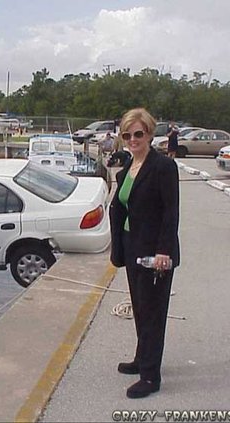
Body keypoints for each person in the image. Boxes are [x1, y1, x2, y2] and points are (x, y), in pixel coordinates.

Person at [109, 108, 180, 399]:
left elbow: (170, 212)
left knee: (152, 313)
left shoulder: (163, 167)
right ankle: (142, 359)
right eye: (127, 135)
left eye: (138, 133)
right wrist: (119, 249)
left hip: (154, 252)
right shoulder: (128, 167)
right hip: (132, 245)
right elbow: (122, 207)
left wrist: (164, 250)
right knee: (140, 308)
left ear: (150, 134)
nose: (133, 139)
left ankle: (150, 376)